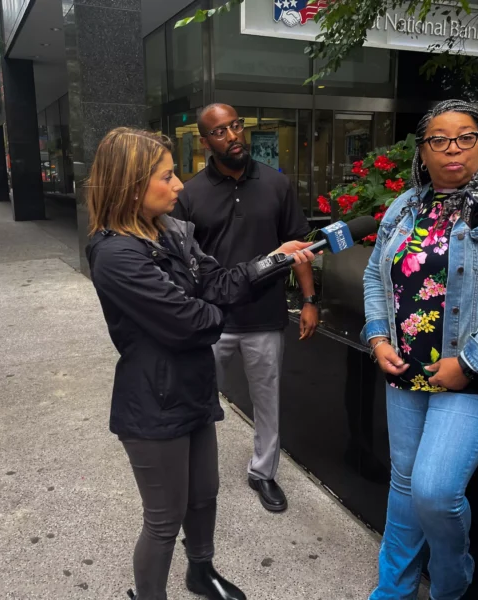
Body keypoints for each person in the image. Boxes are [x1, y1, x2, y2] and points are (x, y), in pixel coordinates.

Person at [85, 127, 315, 600]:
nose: (178, 186)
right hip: (152, 402)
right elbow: (194, 322)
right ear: (131, 185)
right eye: (167, 176)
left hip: (192, 388)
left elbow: (223, 282)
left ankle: (200, 571)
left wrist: (274, 260)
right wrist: (210, 304)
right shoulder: (115, 254)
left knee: (204, 494)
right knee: (164, 519)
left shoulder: (169, 231)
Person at [362, 100, 478, 600]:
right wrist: (378, 336)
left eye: (466, 137)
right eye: (439, 139)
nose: (452, 149)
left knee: (434, 491)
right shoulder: (405, 206)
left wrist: (468, 364)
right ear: (421, 151)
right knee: (403, 488)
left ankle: (451, 583)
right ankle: (391, 591)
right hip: (407, 370)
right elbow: (374, 276)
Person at [172, 104, 319, 513]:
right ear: (204, 142)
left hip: (265, 316)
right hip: (211, 319)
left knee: (267, 399)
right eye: (219, 131)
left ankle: (263, 473)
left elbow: (298, 247)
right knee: (196, 397)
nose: (232, 136)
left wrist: (308, 300)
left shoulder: (276, 184)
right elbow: (181, 262)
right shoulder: (189, 194)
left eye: (236, 126)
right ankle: (191, 474)